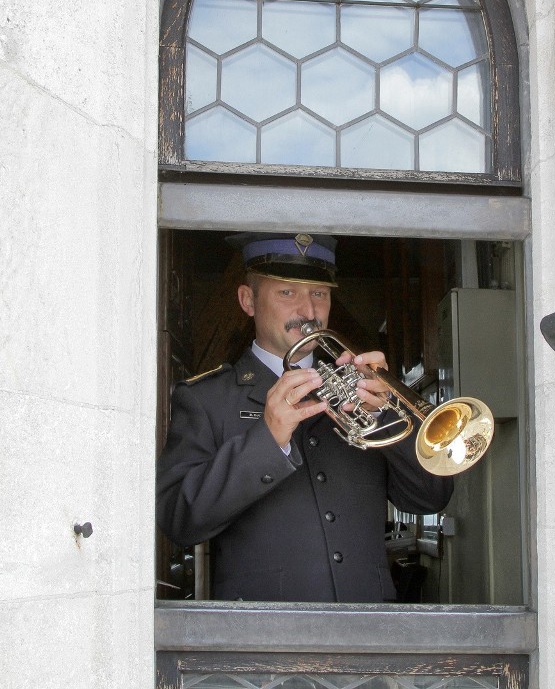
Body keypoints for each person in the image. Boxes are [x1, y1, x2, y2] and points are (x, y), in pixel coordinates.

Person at [156, 232, 453, 602]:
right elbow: (177, 520)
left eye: (319, 294)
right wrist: (267, 438)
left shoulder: (366, 389)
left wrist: (390, 418)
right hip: (263, 641)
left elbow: (430, 498)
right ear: (248, 301)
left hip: (369, 634)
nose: (308, 312)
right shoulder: (205, 398)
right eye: (287, 293)